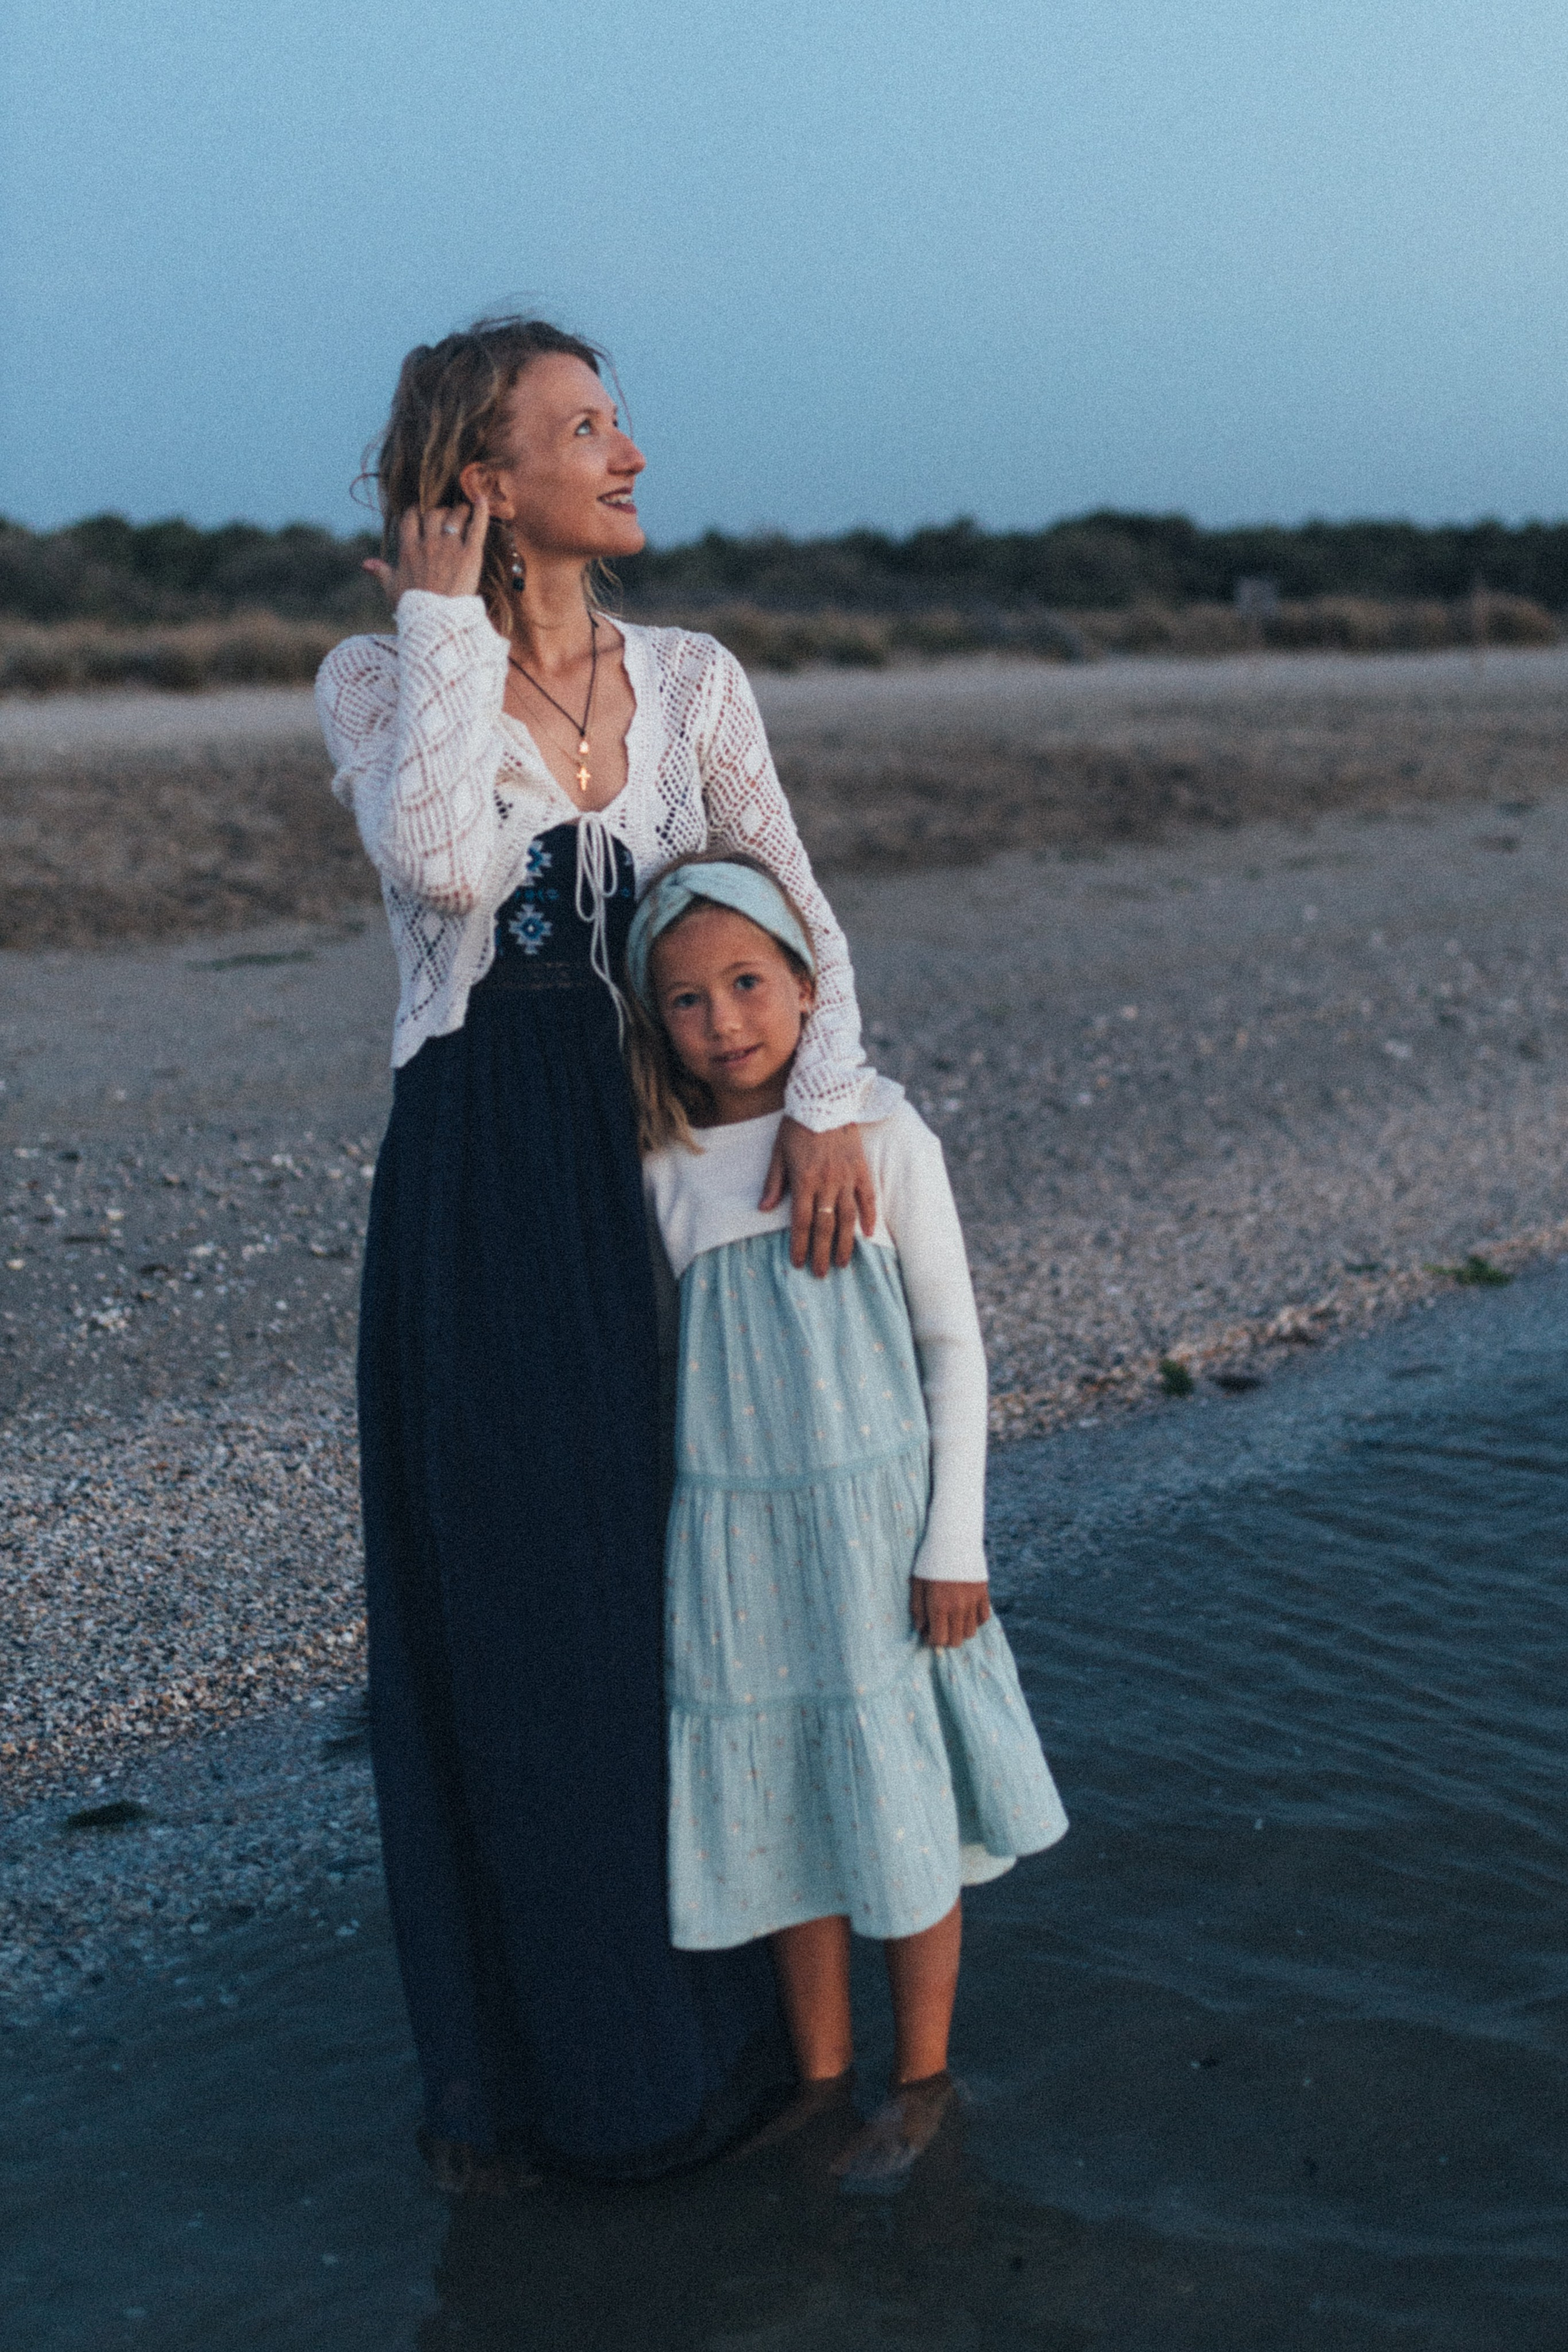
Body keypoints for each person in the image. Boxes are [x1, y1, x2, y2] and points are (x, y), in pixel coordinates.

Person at [314, 316, 883, 2186]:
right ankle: (554, 2082)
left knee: (702, 1601)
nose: (630, 451)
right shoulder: (377, 675)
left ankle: (741, 2054)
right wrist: (442, 615)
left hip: (670, 1165)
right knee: (527, 1621)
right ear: (484, 476)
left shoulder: (698, 679)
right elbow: (442, 872)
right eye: (585, 426)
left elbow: (795, 911)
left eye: (622, 419)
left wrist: (826, 1103)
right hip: (487, 1183)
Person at [624, 855, 1069, 2184]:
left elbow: (954, 1346)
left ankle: (920, 2077)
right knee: (785, 1806)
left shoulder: (880, 1133)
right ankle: (821, 2080)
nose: (724, 1023)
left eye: (748, 984)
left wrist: (955, 1544)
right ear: (658, 1027)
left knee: (899, 1796)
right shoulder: (665, 1165)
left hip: (881, 1538)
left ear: (809, 989)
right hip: (736, 1548)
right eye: (688, 1002)